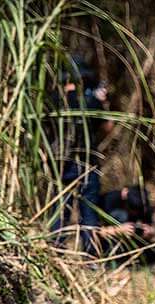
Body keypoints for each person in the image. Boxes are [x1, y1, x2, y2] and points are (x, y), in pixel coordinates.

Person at [49, 56, 110, 254]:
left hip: (60, 162)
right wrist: (102, 102)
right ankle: (91, 257)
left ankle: (56, 251)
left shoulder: (54, 100)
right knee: (88, 212)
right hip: (86, 164)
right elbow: (108, 127)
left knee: (60, 210)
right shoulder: (90, 101)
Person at [95, 185, 155, 262]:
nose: (134, 212)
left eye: (137, 209)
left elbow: (154, 231)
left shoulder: (144, 207)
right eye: (131, 207)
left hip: (131, 245)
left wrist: (150, 231)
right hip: (110, 242)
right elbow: (95, 231)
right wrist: (118, 230)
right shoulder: (109, 201)